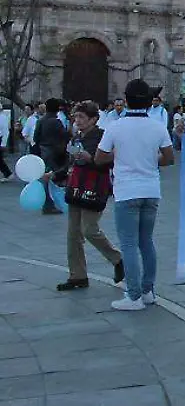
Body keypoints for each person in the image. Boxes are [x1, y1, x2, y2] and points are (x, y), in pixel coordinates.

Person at [94, 80, 174, 311]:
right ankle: (148, 291)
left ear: (126, 100)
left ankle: (134, 295)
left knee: (128, 244)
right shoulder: (157, 127)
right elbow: (168, 158)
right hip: (151, 189)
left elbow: (100, 157)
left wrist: (120, 156)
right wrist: (149, 159)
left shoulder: (116, 127)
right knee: (146, 241)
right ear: (150, 102)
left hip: (127, 190)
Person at [57, 101, 124, 291]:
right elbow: (71, 162)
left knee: (89, 229)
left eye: (82, 117)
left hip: (94, 187)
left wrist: (91, 159)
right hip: (76, 186)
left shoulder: (102, 137)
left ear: (94, 119)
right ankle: (77, 275)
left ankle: (118, 259)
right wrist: (55, 174)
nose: (77, 121)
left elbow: (107, 162)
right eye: (76, 117)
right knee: (73, 234)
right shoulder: (77, 137)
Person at [34, 98, 70, 215]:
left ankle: (47, 204)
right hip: (54, 152)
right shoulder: (57, 122)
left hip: (44, 151)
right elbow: (64, 137)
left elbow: (35, 138)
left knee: (45, 178)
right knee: (51, 179)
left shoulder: (41, 121)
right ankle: (49, 205)